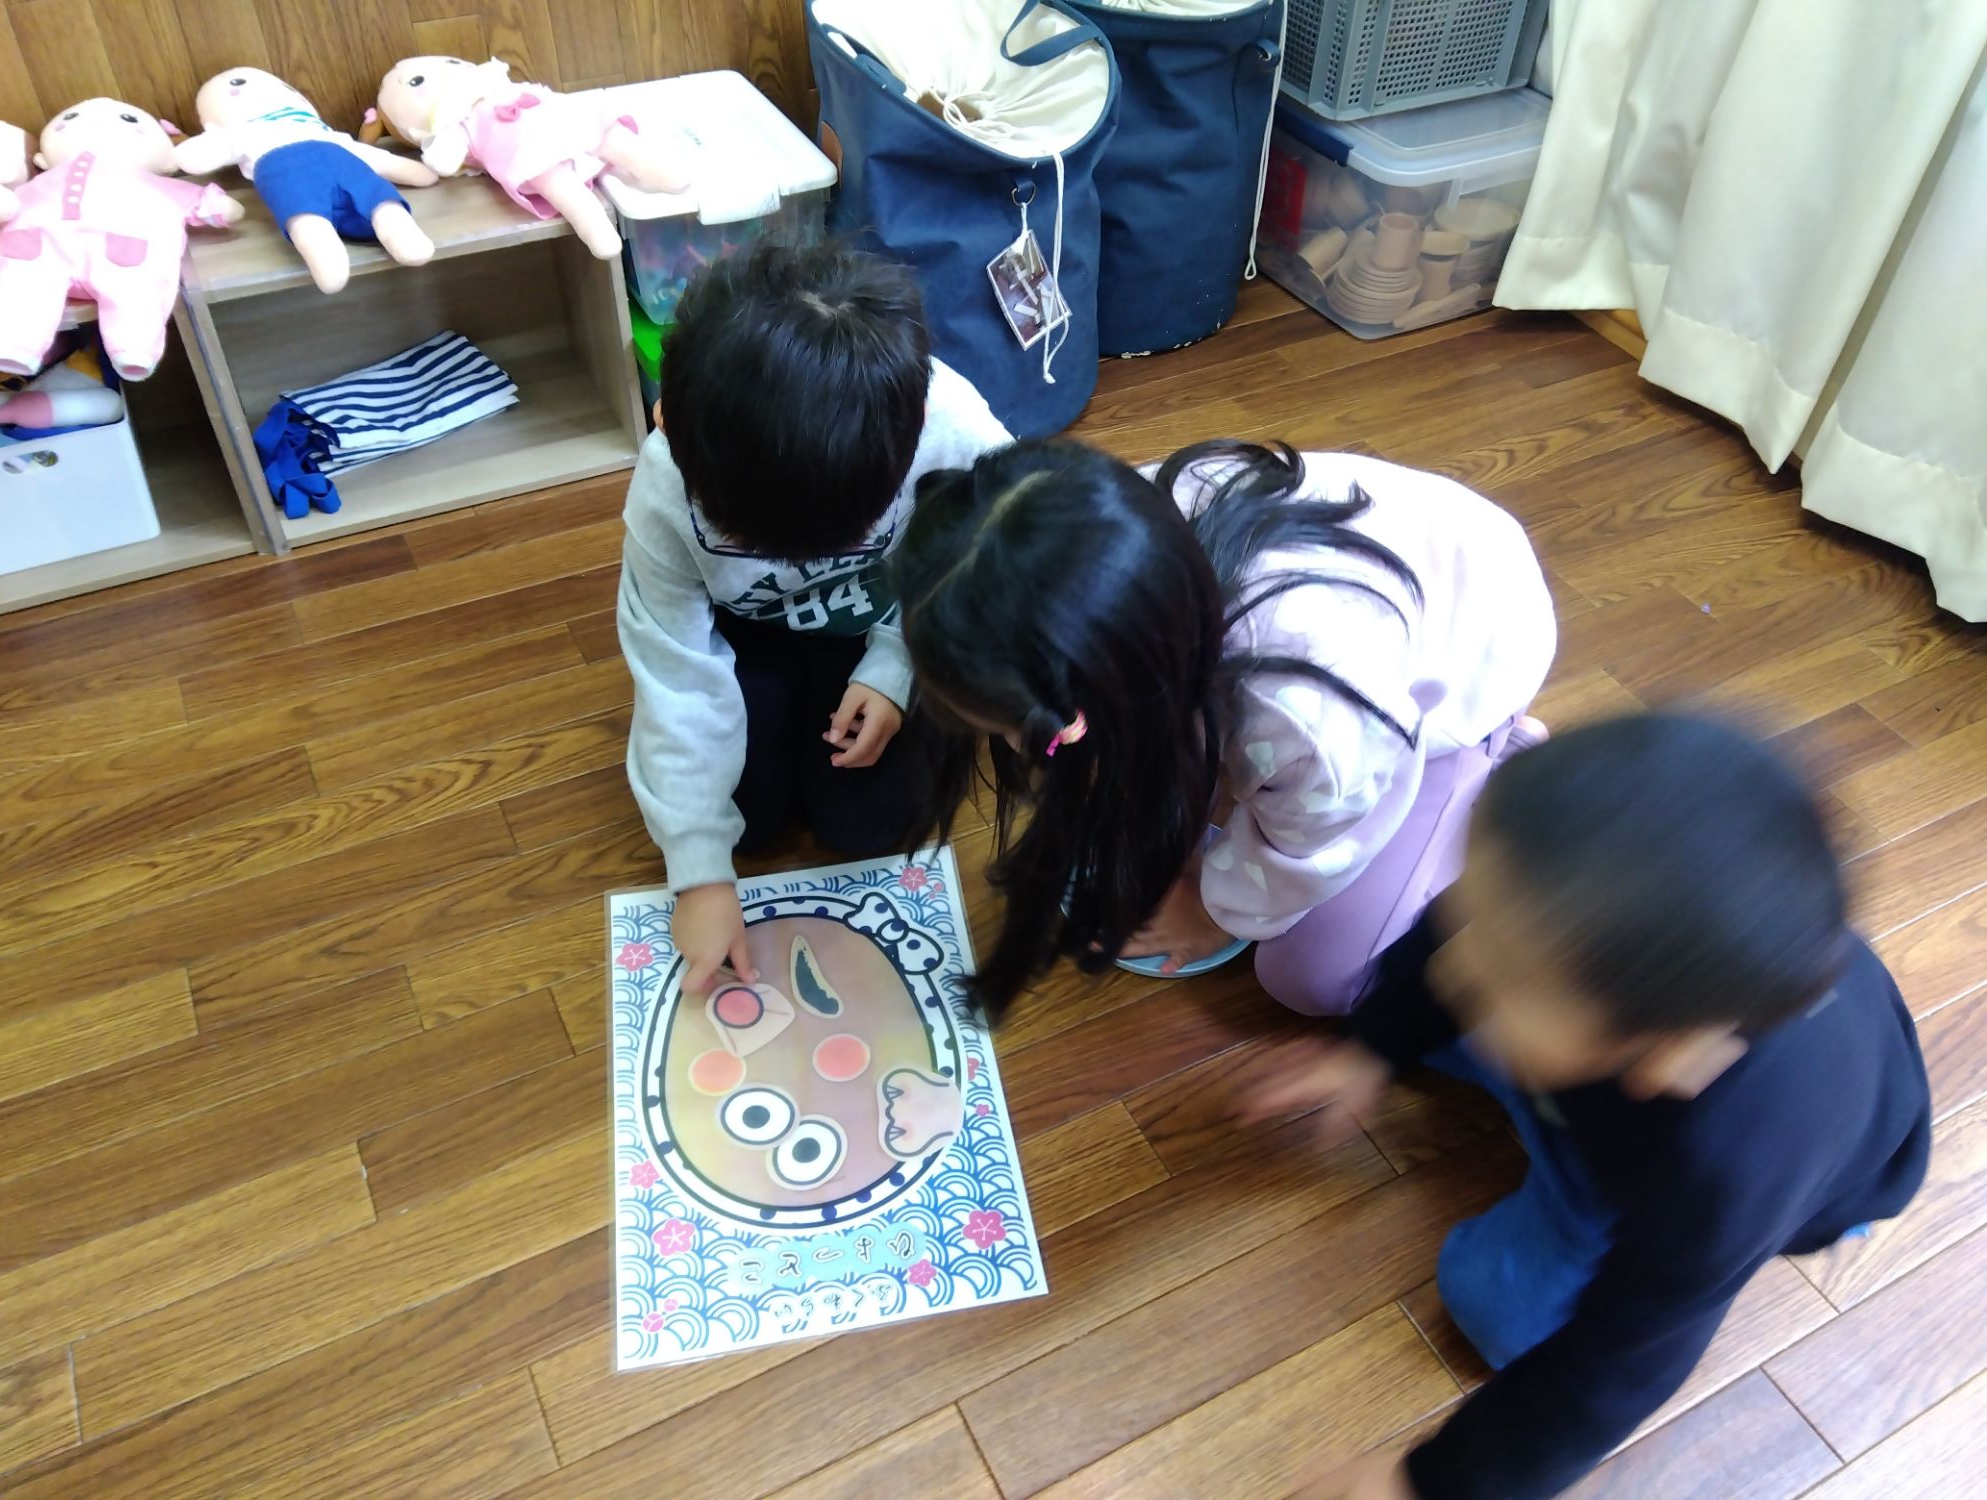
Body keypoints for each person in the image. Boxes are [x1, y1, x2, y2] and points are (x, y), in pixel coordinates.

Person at [1246, 713, 1932, 1500]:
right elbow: (1454, 938)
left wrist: (1426, 1484)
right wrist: (1369, 1049)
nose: (1460, 959)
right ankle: (1523, 1056)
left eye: (1505, 970)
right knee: (1449, 997)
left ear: (1665, 1056)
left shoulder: (1729, 1170)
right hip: (1596, 1069)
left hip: (1679, 1178)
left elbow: (1619, 1365)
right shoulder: (1561, 912)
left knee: (1494, 1308)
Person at [892, 437, 1555, 1018]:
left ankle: (1496, 763)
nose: (1019, 750)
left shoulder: (1308, 713)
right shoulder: (1076, 549)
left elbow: (1320, 839)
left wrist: (1216, 911)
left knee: (1311, 978)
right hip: (1376, 599)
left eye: (1024, 730)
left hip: (1468, 658)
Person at [617, 241, 1010, 997]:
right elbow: (673, 669)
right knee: (746, 824)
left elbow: (975, 571)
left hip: (889, 618)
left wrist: (896, 667)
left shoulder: (955, 432)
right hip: (746, 640)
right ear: (666, 421)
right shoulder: (670, 477)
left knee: (870, 826)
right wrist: (698, 871)